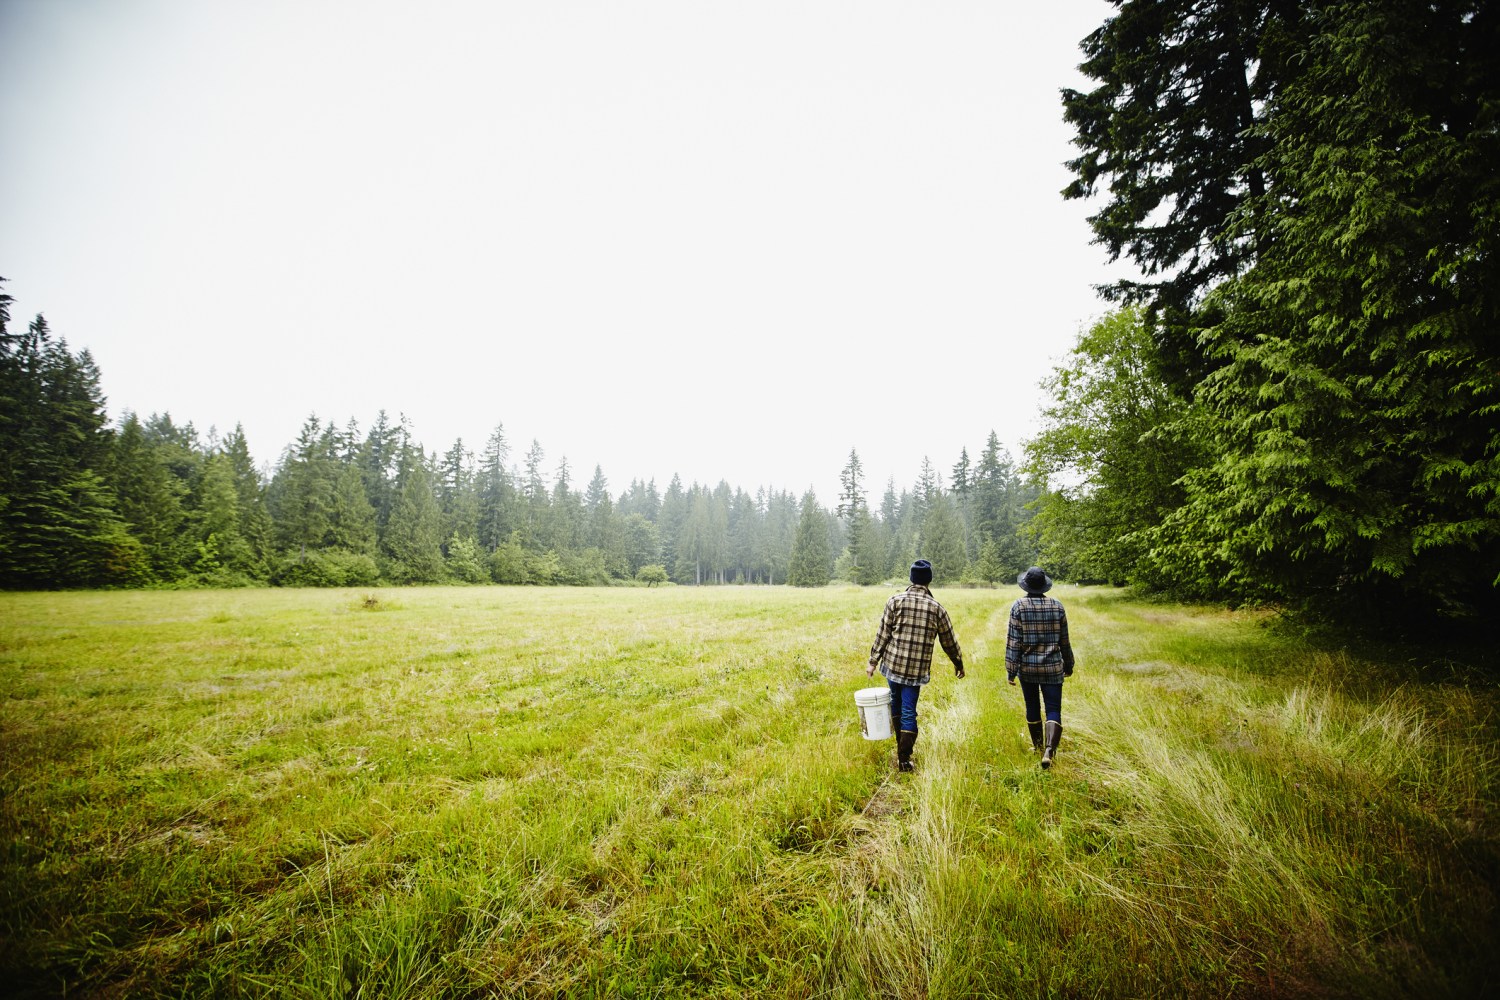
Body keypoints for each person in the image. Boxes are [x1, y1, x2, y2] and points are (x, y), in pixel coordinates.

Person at [867, 559, 965, 772]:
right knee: (909, 710)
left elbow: (883, 634)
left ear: (911, 579)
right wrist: (958, 663)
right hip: (915, 670)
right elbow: (949, 641)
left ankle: (900, 751)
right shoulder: (937, 608)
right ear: (929, 581)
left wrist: (873, 661)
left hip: (892, 665)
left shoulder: (895, 601)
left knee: (896, 702)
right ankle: (904, 758)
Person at [1005, 566, 1074, 769]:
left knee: (1032, 706)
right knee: (1053, 708)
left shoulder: (1018, 607)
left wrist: (1011, 670)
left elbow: (1014, 642)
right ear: (1044, 586)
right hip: (1053, 668)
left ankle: (1037, 747)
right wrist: (1068, 664)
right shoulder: (1057, 606)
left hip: (1028, 669)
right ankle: (1049, 751)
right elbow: (1065, 641)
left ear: (1026, 586)